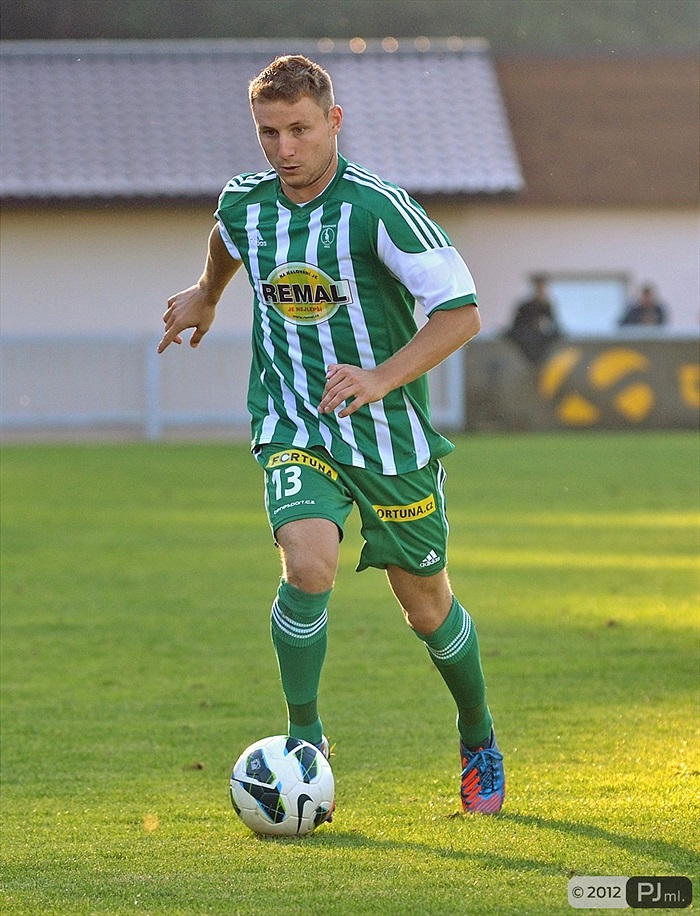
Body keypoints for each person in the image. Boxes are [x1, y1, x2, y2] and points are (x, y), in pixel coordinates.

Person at [158, 55, 504, 815]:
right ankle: (304, 738)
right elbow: (225, 234)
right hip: (294, 423)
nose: (285, 148)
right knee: (308, 563)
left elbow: (462, 313)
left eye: (300, 130)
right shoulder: (247, 204)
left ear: (333, 123)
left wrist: (380, 376)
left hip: (387, 438)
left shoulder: (379, 208)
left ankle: (477, 734)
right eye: (269, 132)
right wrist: (208, 295)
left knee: (427, 609)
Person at [505, 274, 560, 363]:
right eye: (539, 287)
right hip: (526, 336)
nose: (541, 290)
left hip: (542, 339)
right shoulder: (524, 307)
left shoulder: (547, 306)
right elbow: (516, 325)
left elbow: (555, 325)